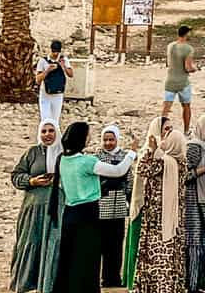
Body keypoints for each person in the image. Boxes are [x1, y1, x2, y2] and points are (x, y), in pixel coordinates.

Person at [51, 121, 136, 293]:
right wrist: (132, 152)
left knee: (70, 257)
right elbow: (118, 170)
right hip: (87, 213)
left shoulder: (62, 159)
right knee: (88, 258)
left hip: (70, 212)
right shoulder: (86, 161)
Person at [129, 116, 189, 293]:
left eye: (170, 131)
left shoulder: (163, 161)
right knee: (171, 253)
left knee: (157, 254)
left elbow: (142, 170)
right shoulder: (180, 162)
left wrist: (152, 150)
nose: (167, 133)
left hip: (157, 217)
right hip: (172, 217)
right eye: (166, 129)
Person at [10, 121, 61, 292]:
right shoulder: (32, 153)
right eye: (44, 131)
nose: (47, 134)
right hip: (33, 208)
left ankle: (47, 284)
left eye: (51, 130)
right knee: (30, 242)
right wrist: (32, 181)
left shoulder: (63, 154)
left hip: (56, 208)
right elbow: (16, 176)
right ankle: (25, 283)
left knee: (52, 243)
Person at [95, 123, 137, 289]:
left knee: (116, 245)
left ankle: (113, 277)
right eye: (105, 140)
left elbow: (129, 181)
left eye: (111, 139)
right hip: (101, 206)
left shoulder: (123, 156)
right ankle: (101, 277)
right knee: (101, 245)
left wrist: (128, 197)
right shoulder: (97, 157)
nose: (108, 143)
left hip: (119, 207)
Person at [184, 116, 205, 291]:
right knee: (195, 242)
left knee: (204, 242)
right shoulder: (194, 147)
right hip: (194, 200)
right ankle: (192, 284)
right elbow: (185, 175)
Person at [164, 25, 197, 131]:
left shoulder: (170, 46)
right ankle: (186, 130)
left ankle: (161, 128)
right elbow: (187, 67)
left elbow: (168, 63)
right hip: (183, 82)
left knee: (166, 107)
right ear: (186, 34)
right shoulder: (188, 49)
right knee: (186, 106)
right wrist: (194, 69)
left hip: (170, 80)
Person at [36, 40, 72, 124]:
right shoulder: (43, 61)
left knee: (55, 120)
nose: (55, 54)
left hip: (58, 95)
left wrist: (63, 66)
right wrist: (47, 70)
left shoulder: (64, 60)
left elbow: (71, 74)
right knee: (45, 119)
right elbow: (38, 80)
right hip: (45, 94)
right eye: (54, 51)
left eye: (57, 52)